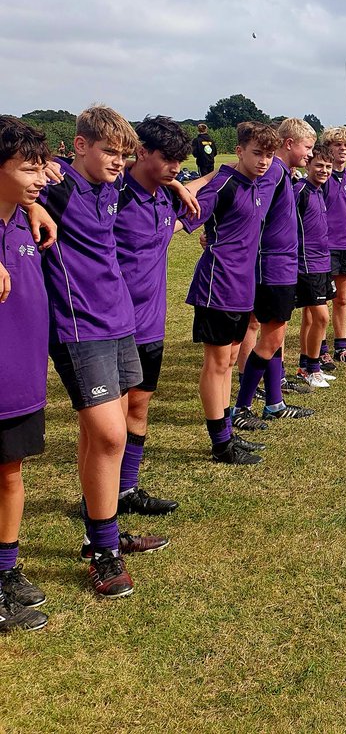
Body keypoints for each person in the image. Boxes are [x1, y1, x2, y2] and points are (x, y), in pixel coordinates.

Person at [41, 105, 160, 598]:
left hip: (119, 322)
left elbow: (150, 177)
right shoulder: (56, 185)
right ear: (79, 145)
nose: (116, 161)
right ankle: (102, 549)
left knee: (100, 437)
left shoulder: (112, 187)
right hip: (78, 328)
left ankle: (102, 531)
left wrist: (175, 184)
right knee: (110, 437)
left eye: (122, 154)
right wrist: (31, 199)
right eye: (108, 151)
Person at [114, 116, 198, 516]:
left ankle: (127, 489)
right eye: (168, 159)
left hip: (151, 324)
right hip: (109, 326)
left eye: (180, 161)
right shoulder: (110, 194)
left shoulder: (167, 195)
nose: (176, 167)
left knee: (140, 407)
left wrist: (178, 184)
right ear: (141, 151)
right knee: (107, 421)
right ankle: (99, 498)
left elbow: (209, 189)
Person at [186, 121, 282, 468]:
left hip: (245, 286)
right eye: (257, 153)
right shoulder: (224, 183)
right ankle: (220, 444)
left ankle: (227, 432)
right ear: (239, 151)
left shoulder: (261, 181)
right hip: (217, 285)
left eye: (269, 155)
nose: (263, 161)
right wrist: (204, 180)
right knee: (217, 363)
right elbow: (188, 215)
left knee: (229, 362)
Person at [231, 118, 317, 429]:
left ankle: (274, 402)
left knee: (274, 336)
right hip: (272, 266)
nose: (310, 153)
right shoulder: (276, 171)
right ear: (290, 144)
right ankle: (240, 408)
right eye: (307, 147)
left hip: (280, 264)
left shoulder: (282, 172)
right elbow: (253, 210)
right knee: (272, 337)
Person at [0, 116, 51, 631]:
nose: (41, 176)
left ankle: (6, 570)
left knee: (12, 474)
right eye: (28, 169)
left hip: (22, 381)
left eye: (43, 167)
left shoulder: (24, 218)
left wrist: (33, 204)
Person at [319, 126, 346, 365]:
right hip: (324, 246)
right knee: (320, 301)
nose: (343, 149)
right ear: (328, 148)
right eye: (337, 145)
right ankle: (321, 349)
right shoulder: (321, 177)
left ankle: (341, 348)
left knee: (342, 299)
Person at [295, 143, 335, 387]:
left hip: (322, 261)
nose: (324, 170)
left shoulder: (320, 190)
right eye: (319, 165)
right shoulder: (300, 190)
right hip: (305, 263)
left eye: (328, 167)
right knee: (322, 318)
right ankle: (313, 368)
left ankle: (304, 366)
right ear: (307, 164)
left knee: (311, 318)